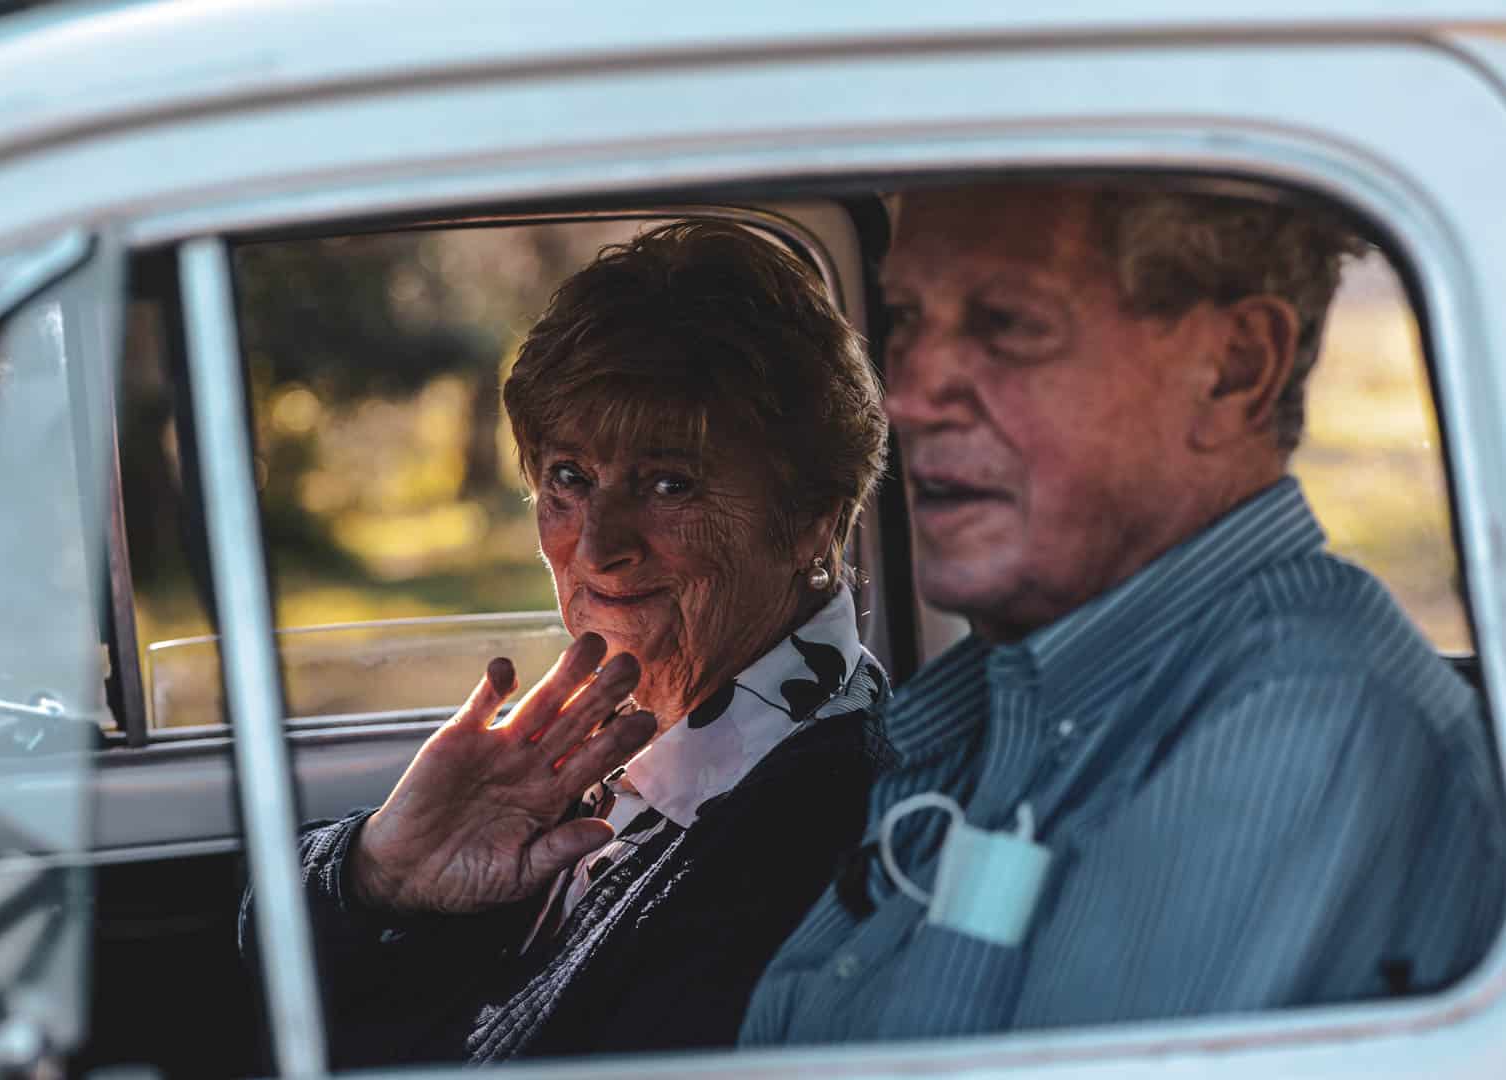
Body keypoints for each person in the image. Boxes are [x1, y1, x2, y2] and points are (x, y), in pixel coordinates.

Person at [740, 183, 1506, 1043]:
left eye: (1005, 325)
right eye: (907, 316)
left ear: (1234, 369)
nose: (909, 394)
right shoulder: (1024, 691)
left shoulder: (1299, 715)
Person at [240, 221, 892, 1064]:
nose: (594, 547)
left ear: (814, 519)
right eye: (568, 479)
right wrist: (378, 873)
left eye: (669, 483)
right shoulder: (619, 744)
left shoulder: (822, 824)